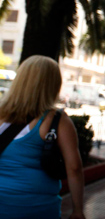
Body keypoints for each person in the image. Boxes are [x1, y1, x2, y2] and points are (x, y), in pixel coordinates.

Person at [0, 56, 85, 219]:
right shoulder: (56, 120)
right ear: (53, 85)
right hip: (36, 207)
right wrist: (77, 210)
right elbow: (74, 168)